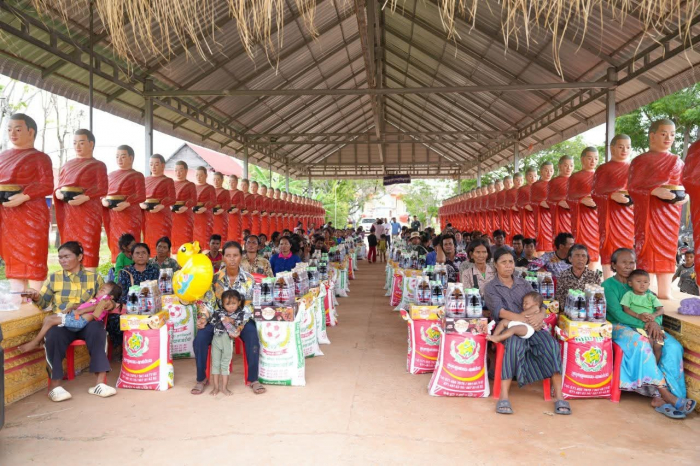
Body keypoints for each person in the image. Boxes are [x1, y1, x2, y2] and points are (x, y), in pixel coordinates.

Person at [603, 248, 695, 419]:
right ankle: (664, 394)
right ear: (614, 265)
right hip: (619, 326)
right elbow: (618, 314)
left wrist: (655, 324)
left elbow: (656, 309)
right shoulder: (608, 286)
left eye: (631, 262)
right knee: (642, 344)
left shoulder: (642, 282)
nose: (628, 266)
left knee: (673, 347)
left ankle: (676, 394)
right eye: (623, 262)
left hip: (648, 326)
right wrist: (647, 325)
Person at [23, 241, 114, 402]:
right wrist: (35, 296)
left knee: (97, 331)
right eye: (60, 257)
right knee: (53, 336)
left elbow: (104, 299)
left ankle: (100, 383)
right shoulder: (54, 278)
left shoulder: (94, 278)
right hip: (63, 321)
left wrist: (107, 304)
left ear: (79, 257)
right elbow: (43, 303)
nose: (62, 260)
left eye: (66, 256)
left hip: (86, 321)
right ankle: (55, 387)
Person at [483, 248, 570, 415]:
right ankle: (503, 396)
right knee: (514, 345)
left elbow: (541, 304)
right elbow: (501, 312)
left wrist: (541, 316)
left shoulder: (523, 283)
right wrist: (526, 320)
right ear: (495, 265)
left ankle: (559, 396)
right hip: (508, 327)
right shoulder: (491, 287)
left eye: (511, 262)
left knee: (551, 344)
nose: (508, 265)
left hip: (532, 326)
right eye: (503, 262)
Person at [193, 241, 266, 395]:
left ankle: (253, 379)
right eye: (228, 255)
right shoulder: (214, 279)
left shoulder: (249, 279)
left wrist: (237, 323)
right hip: (218, 318)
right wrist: (204, 318)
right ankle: (201, 379)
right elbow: (209, 303)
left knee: (252, 337)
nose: (232, 259)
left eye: (235, 255)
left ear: (241, 257)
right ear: (223, 258)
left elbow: (250, 306)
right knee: (200, 339)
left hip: (240, 318)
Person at [628, 119, 687, 299]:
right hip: (649, 216)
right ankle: (644, 293)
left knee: (668, 253)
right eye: (663, 134)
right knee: (647, 252)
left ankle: (665, 293)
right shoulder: (640, 161)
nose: (668, 138)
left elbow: (685, 186)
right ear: (652, 136)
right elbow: (633, 188)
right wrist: (653, 191)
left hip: (670, 216)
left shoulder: (677, 162)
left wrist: (686, 196)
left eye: (672, 134)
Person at [0, 113, 54, 292]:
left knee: (34, 256)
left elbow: (47, 185)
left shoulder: (41, 158)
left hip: (32, 214)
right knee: (13, 260)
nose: (12, 133)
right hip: (8, 216)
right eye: (9, 129)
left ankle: (35, 299)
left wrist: (24, 196)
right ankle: (17, 300)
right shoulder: (3, 156)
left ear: (31, 132)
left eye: (18, 129)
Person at [54, 129, 108, 271]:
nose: (77, 146)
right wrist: (58, 193)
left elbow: (103, 188)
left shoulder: (98, 165)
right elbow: (59, 186)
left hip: (89, 214)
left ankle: (89, 280)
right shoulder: (67, 165)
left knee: (89, 246)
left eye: (82, 143)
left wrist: (86, 197)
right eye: (75, 143)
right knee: (70, 248)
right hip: (70, 214)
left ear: (91, 144)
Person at [19, 282, 121, 353]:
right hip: (77, 317)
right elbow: (85, 305)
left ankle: (35, 342)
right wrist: (73, 308)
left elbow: (96, 308)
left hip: (79, 321)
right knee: (47, 319)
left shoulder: (105, 300)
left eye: (102, 290)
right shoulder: (96, 300)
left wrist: (80, 311)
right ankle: (41, 342)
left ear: (111, 296)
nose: (99, 291)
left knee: (50, 320)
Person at [592, 134, 635, 279]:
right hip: (610, 216)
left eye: (628, 147)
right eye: (621, 147)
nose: (624, 150)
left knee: (627, 250)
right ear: (612, 148)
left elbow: (640, 191)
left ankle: (627, 281)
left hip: (628, 216)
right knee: (608, 248)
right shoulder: (603, 169)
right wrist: (610, 196)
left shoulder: (633, 169)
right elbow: (595, 193)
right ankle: (608, 281)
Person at [102, 144, 146, 263]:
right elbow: (103, 193)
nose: (119, 160)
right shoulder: (111, 176)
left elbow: (141, 195)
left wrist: (127, 203)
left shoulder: (137, 175)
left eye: (123, 156)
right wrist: (104, 201)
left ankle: (134, 266)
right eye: (117, 157)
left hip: (130, 216)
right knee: (116, 243)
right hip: (115, 216)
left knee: (130, 242)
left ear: (131, 158)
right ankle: (117, 268)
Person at [112, 243, 160, 348]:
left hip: (150, 306)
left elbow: (157, 291)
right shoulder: (126, 272)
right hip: (130, 305)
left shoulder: (155, 271)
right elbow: (123, 293)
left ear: (148, 255)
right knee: (115, 319)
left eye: (143, 253)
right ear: (132, 256)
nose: (140, 255)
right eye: (137, 253)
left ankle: (152, 346)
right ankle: (122, 347)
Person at [620, 269, 666, 362]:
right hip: (639, 325)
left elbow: (661, 309)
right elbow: (626, 309)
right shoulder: (629, 295)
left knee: (658, 346)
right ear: (630, 283)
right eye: (638, 281)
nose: (642, 284)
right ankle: (647, 365)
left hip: (652, 323)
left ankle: (654, 366)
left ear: (649, 284)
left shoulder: (651, 296)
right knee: (648, 342)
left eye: (645, 282)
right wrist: (638, 316)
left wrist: (654, 315)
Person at [205, 289, 244, 396]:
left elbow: (240, 324)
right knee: (215, 364)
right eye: (227, 304)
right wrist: (206, 315)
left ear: (239, 303)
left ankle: (224, 388)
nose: (231, 306)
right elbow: (211, 321)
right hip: (216, 340)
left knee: (225, 364)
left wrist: (232, 321)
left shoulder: (240, 313)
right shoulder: (218, 312)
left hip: (227, 341)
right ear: (222, 304)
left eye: (233, 303)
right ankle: (216, 388)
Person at [567, 147, 601, 269]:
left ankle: (592, 274)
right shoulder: (575, 177)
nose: (593, 161)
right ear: (582, 159)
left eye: (596, 158)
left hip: (596, 218)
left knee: (594, 249)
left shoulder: (600, 176)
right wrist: (581, 200)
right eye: (590, 158)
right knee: (580, 248)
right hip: (581, 218)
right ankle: (578, 273)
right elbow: (569, 198)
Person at [142, 154, 176, 252]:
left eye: (156, 164)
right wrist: (142, 204)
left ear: (162, 165)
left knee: (162, 240)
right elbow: (140, 197)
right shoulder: (145, 180)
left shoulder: (168, 181)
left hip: (162, 216)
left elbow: (172, 198)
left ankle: (163, 260)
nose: (153, 167)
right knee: (149, 242)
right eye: (151, 164)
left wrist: (161, 206)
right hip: (148, 216)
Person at [170, 160, 196, 253]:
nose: (178, 173)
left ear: (186, 171)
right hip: (173, 215)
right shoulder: (171, 184)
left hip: (185, 216)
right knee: (173, 239)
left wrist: (185, 207)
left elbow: (194, 200)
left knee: (186, 238)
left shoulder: (190, 185)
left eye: (181, 170)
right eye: (176, 170)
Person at [548, 155, 574, 244]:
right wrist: (559, 202)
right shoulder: (554, 182)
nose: (569, 168)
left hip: (574, 215)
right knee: (562, 239)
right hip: (560, 215)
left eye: (571, 165)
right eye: (566, 165)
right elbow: (549, 199)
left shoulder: (575, 180)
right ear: (559, 166)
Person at [194, 166, 216, 245]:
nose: (198, 177)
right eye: (197, 175)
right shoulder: (193, 187)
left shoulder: (210, 188)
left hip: (206, 217)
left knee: (205, 239)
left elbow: (213, 202)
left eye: (201, 175)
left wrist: (205, 208)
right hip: (194, 217)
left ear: (206, 176)